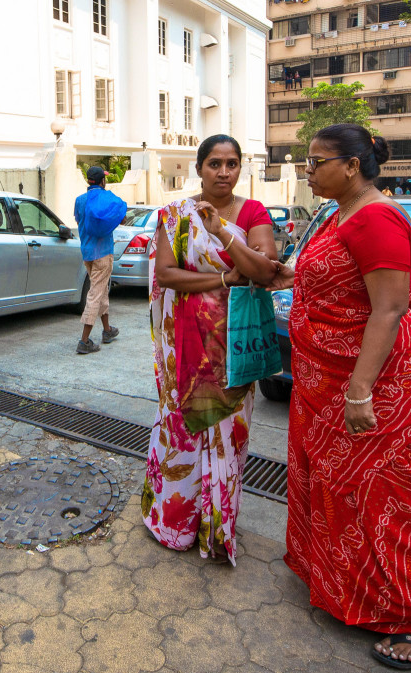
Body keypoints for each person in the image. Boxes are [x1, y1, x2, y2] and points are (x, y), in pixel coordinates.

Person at [268, 123, 411, 668]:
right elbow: (333, 280)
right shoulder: (340, 215)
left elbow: (387, 308)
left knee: (400, 497)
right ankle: (352, 590)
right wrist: (279, 272)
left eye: (316, 162)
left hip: (383, 387)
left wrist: (359, 390)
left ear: (353, 165)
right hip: (329, 382)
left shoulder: (378, 217)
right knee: (347, 489)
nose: (308, 172)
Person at [143, 135, 279, 565]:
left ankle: (217, 527)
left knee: (229, 436)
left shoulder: (253, 212)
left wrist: (220, 229)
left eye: (232, 164)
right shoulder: (175, 215)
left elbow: (264, 269)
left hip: (234, 343)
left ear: (241, 168)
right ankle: (173, 523)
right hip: (184, 342)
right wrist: (224, 279)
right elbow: (166, 275)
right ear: (198, 169)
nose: (224, 172)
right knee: (180, 431)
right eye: (215, 164)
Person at [74, 165, 127, 354]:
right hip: (103, 253)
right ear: (102, 180)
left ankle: (107, 330)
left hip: (87, 253)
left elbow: (79, 221)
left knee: (101, 289)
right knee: (95, 293)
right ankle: (84, 340)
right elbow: (122, 219)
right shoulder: (106, 199)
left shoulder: (80, 200)